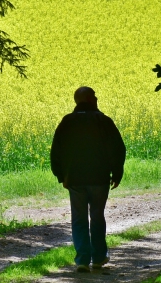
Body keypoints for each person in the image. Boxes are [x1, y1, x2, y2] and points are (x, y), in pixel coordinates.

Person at [50, 86, 126, 273]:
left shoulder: (67, 122)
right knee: (97, 217)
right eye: (95, 96)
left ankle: (82, 260)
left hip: (74, 179)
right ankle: (99, 258)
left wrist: (61, 176)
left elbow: (56, 151)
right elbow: (118, 149)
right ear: (91, 100)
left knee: (79, 219)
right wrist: (116, 174)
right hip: (99, 179)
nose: (97, 98)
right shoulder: (104, 121)